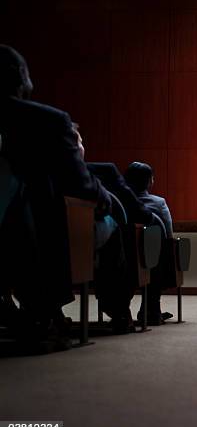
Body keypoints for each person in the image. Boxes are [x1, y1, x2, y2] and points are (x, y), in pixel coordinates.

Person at [0, 45, 111, 352]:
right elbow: (80, 184)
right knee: (107, 222)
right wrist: (107, 200)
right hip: (31, 231)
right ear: (21, 78)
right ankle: (112, 310)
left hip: (18, 227)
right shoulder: (47, 121)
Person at [73, 125, 153, 333]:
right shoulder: (104, 171)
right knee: (121, 232)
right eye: (80, 141)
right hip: (85, 238)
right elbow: (132, 208)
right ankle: (120, 311)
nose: (82, 146)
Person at [124, 161, 174, 325]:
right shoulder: (159, 202)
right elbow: (168, 232)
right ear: (150, 181)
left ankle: (123, 310)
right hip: (153, 257)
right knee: (162, 252)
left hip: (124, 255)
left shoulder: (119, 202)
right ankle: (152, 309)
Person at [124, 161, 172, 238]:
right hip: (153, 249)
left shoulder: (118, 204)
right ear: (150, 181)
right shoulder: (159, 203)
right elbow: (169, 237)